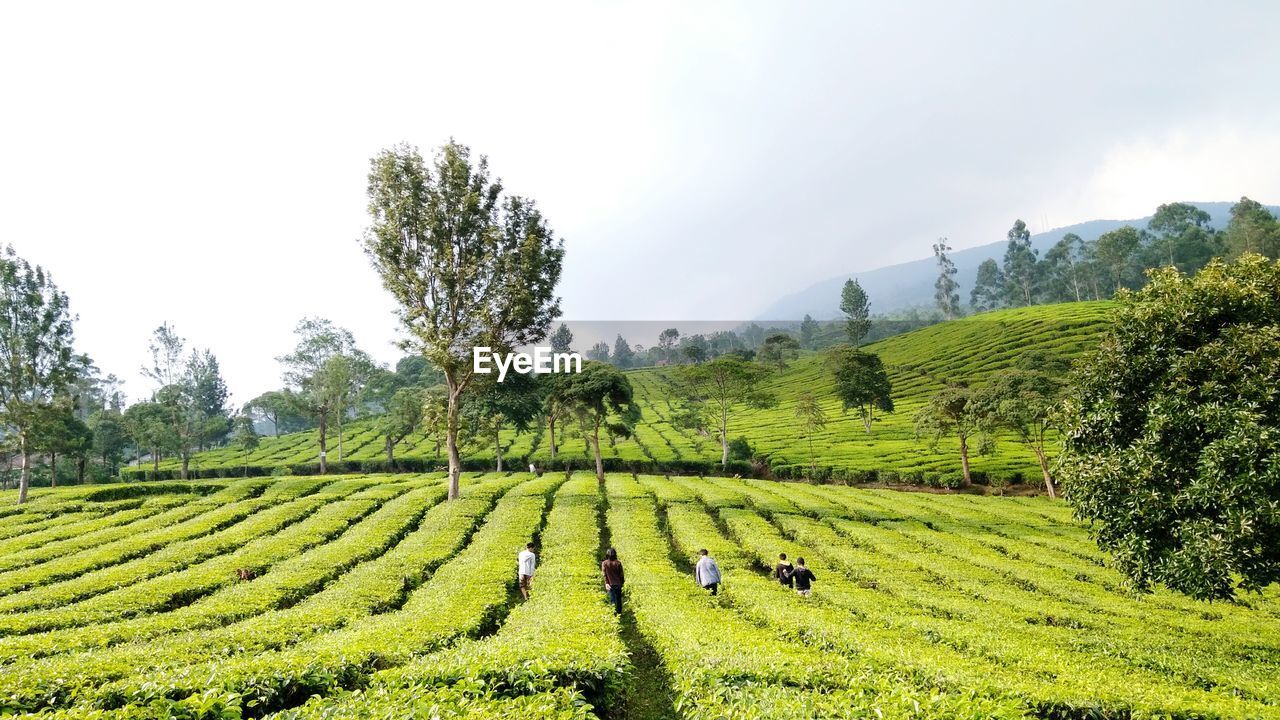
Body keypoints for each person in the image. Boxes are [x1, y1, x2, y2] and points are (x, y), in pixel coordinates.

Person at [601, 547, 625, 615]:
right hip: (618, 584)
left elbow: (604, 574)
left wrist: (606, 583)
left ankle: (614, 615)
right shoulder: (618, 563)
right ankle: (619, 613)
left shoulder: (604, 563)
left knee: (612, 600)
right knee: (618, 600)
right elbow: (621, 575)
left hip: (610, 584)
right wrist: (622, 583)